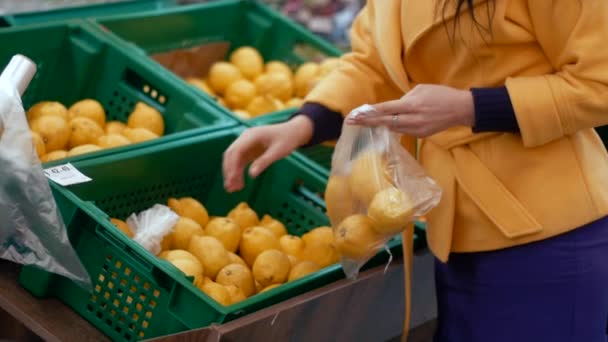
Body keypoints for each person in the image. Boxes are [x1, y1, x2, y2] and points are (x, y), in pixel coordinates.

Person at [223, 1, 608, 341]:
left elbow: (599, 82)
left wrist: (469, 107)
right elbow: (374, 63)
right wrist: (303, 123)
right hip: (453, 226)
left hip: (547, 234)